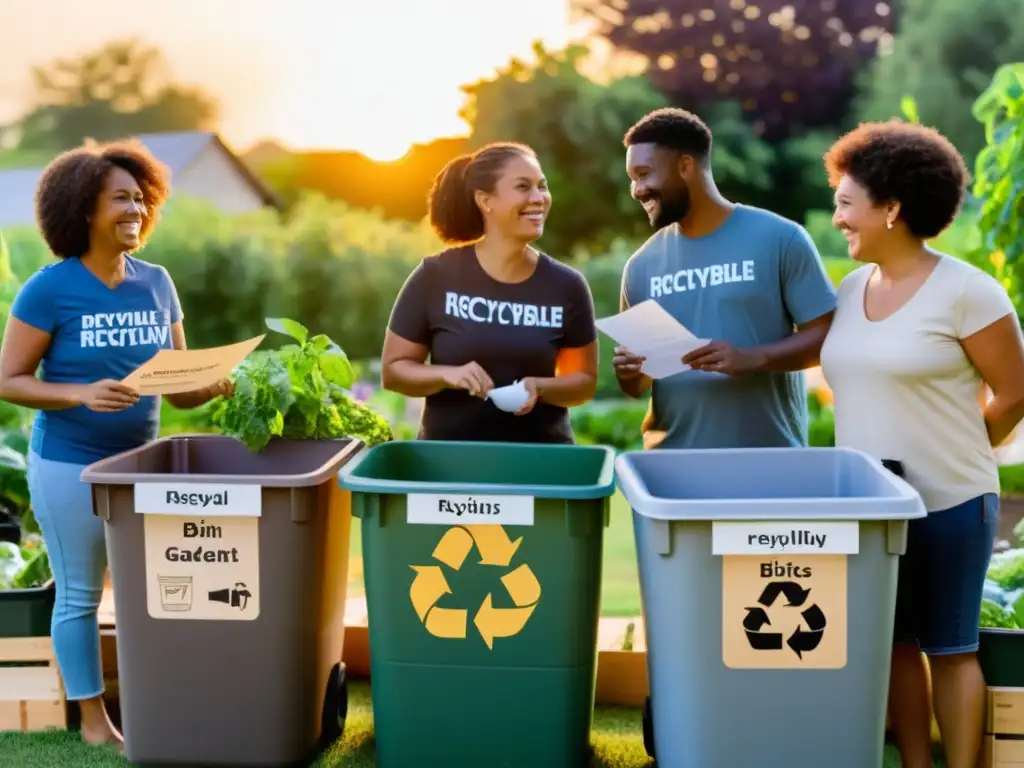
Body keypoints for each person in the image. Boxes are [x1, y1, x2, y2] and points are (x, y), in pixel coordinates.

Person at [0, 139, 233, 749]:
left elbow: (179, 387)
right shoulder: (48, 289)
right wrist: (80, 394)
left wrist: (215, 384)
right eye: (118, 200)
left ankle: (154, 702)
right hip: (69, 465)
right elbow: (8, 382)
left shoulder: (156, 283)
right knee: (80, 593)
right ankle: (96, 723)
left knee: (152, 592)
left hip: (140, 467)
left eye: (140, 198)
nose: (134, 210)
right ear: (81, 210)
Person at [819, 120, 1024, 768]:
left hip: (952, 501)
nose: (837, 217)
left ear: (892, 208)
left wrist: (967, 447)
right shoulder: (850, 292)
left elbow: (1015, 392)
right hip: (874, 511)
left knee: (951, 647)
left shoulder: (968, 292)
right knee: (895, 646)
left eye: (847, 203)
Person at [613, 108, 837, 450]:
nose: (636, 190)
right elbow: (637, 386)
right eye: (632, 178)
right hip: (671, 472)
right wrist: (630, 371)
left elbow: (827, 336)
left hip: (770, 463)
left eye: (643, 174)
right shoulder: (641, 265)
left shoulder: (781, 239)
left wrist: (752, 358)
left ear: (685, 166)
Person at [380, 141, 598, 443]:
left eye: (542, 186)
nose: (539, 198)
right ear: (486, 200)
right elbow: (394, 372)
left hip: (542, 464)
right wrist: (447, 375)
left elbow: (583, 383)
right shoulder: (435, 276)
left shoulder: (567, 285)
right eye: (523, 187)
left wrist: (540, 387)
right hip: (450, 464)